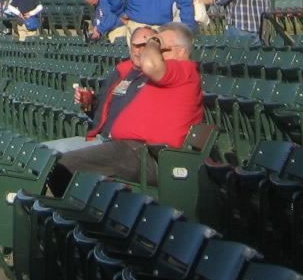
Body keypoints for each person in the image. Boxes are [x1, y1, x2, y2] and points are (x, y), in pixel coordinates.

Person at [51, 24, 205, 184]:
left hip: (150, 156)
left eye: (161, 48)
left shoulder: (184, 69)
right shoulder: (161, 77)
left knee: (65, 166)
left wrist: (153, 41)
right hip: (131, 150)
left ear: (182, 51)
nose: (154, 52)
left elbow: (150, 65)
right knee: (58, 164)